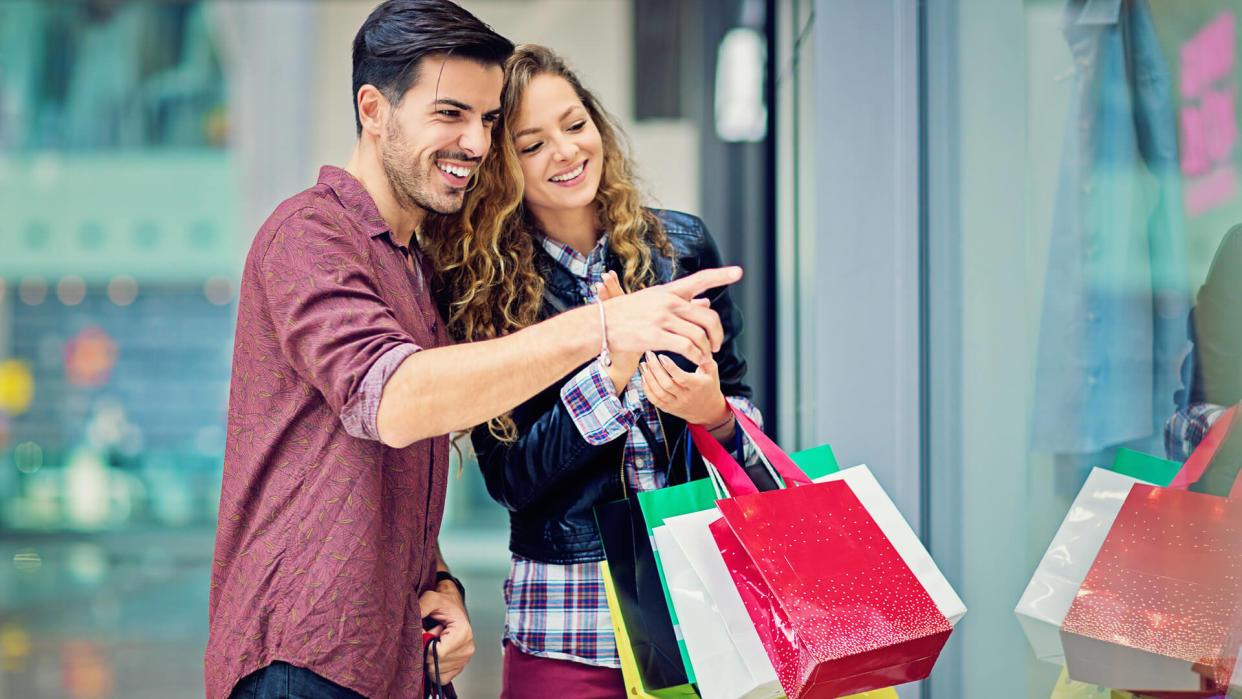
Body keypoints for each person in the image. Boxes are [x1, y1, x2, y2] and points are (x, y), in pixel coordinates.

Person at [204, 4, 741, 698]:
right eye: (450, 113)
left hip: (399, 650)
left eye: (487, 121)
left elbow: (381, 476)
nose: (475, 141)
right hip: (303, 658)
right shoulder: (309, 236)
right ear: (373, 109)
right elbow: (393, 403)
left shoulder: (414, 267)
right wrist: (604, 334)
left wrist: (443, 583)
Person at [423, 44, 763, 698]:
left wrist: (713, 410)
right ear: (500, 167)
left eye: (575, 125)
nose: (565, 151)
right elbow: (514, 479)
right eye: (531, 143)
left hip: (697, 610)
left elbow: (741, 414)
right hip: (567, 624)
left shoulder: (682, 248)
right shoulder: (482, 291)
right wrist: (610, 370)